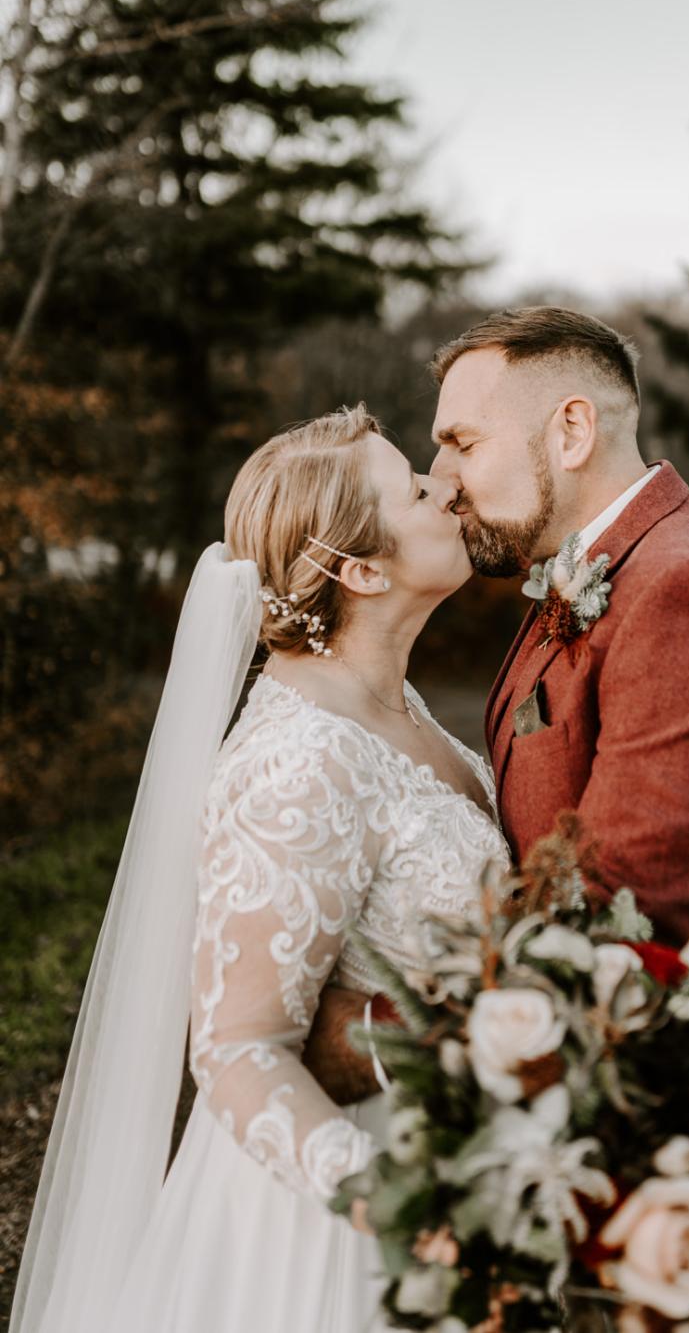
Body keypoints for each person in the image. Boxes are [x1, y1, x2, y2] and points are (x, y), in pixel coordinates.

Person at [308, 306, 689, 1227]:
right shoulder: (583, 577)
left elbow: (625, 910)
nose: (442, 481)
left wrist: (365, 1035)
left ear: (570, 429)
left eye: (462, 441)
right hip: (594, 1121)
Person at [11, 406, 509, 1333]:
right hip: (343, 1224)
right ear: (361, 570)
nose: (445, 485)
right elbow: (238, 1050)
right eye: (413, 487)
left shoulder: (393, 706)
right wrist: (395, 1206)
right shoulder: (298, 759)